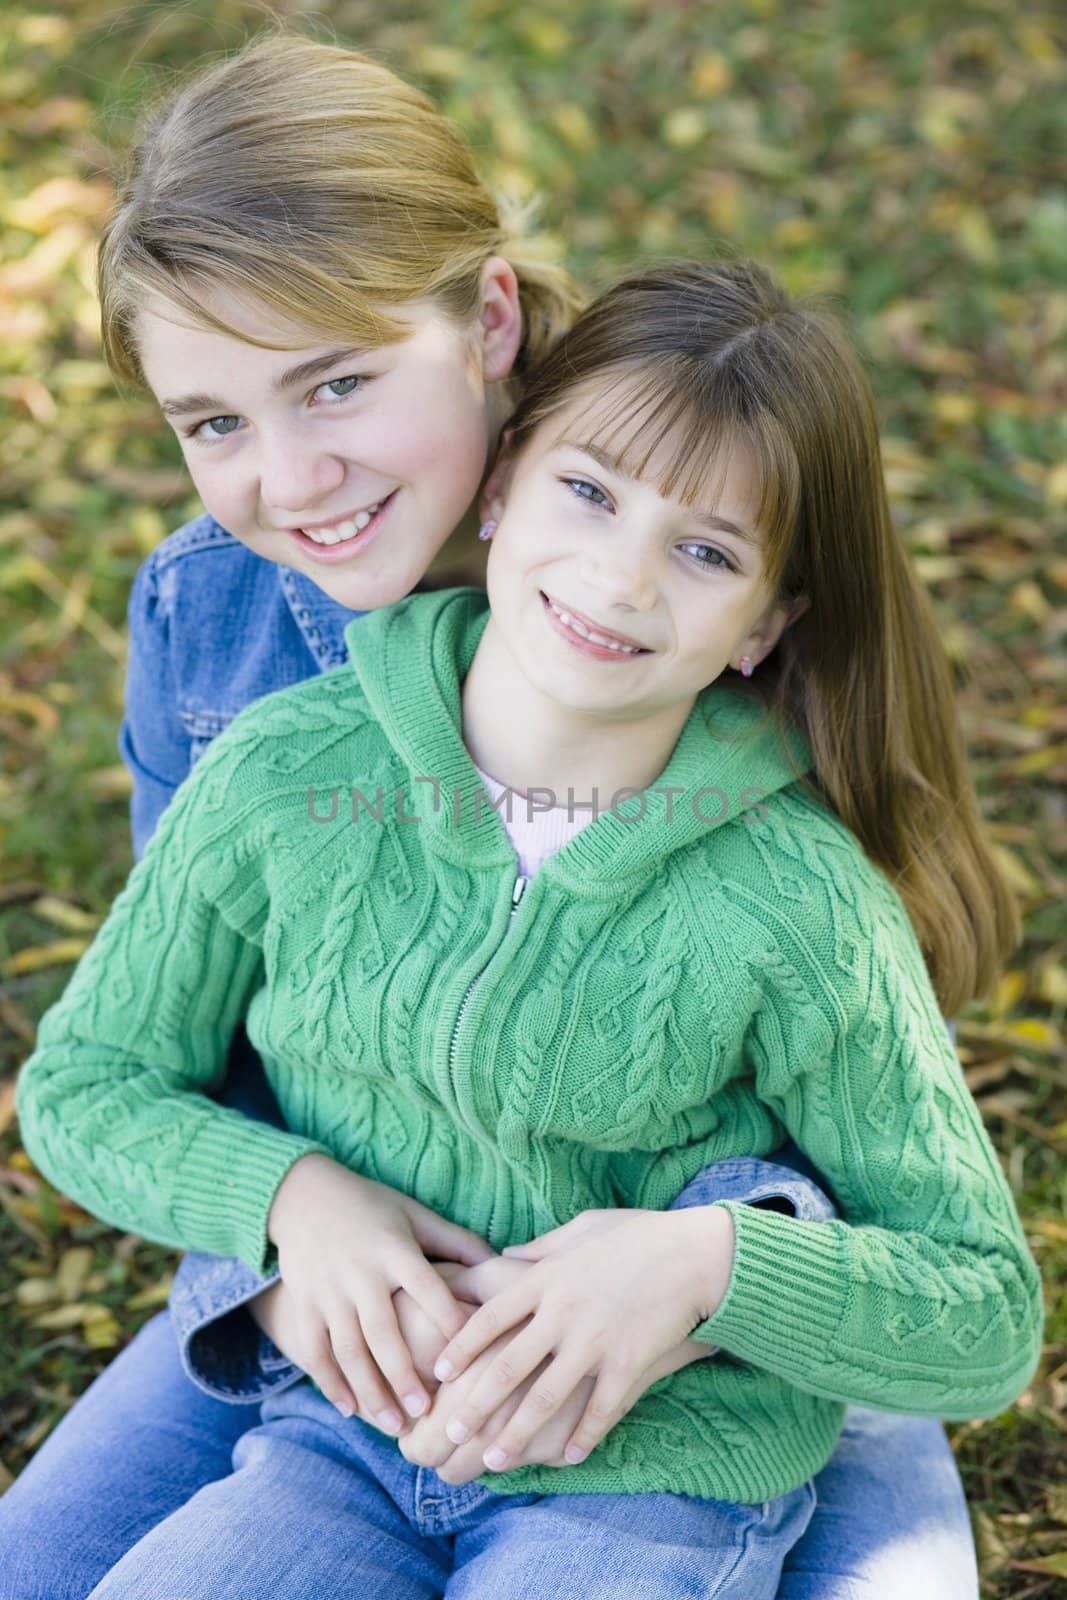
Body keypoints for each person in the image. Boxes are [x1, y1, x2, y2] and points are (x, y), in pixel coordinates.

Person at [0, 33, 983, 1600]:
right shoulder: (217, 620)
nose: (290, 480)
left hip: (714, 1325)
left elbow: (896, 1172)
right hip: (358, 1302)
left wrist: (712, 1266)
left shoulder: (700, 543)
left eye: (339, 382)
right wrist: (288, 1221)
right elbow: (172, 1051)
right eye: (212, 422)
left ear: (491, 322)